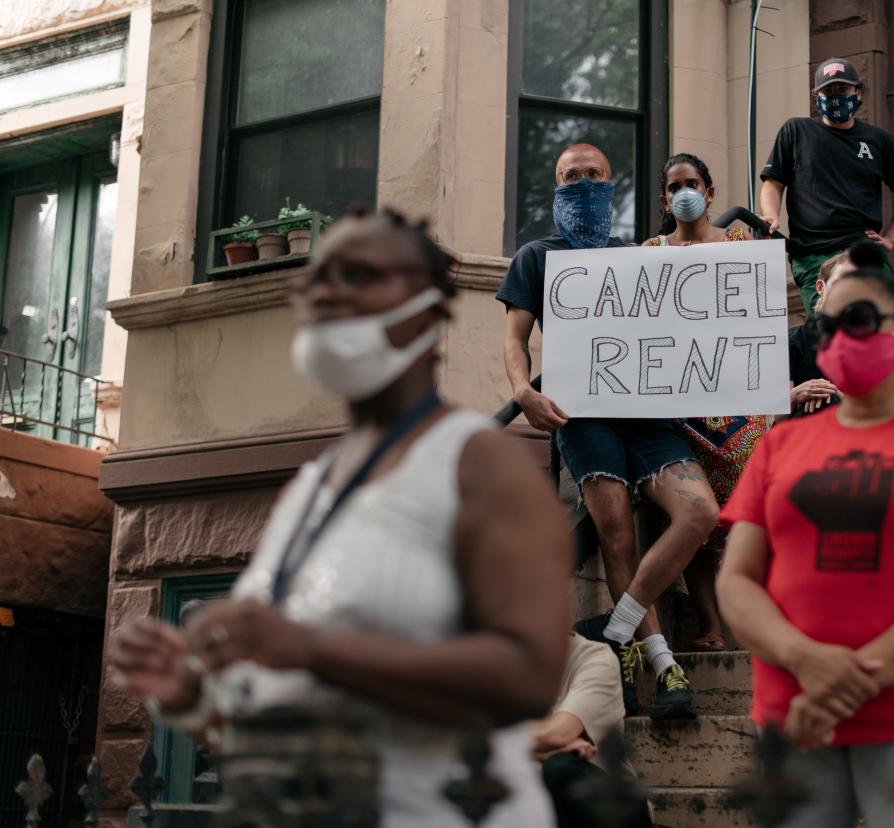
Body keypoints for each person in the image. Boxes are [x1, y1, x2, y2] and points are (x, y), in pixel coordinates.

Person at [109, 208, 572, 827]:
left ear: (427, 309)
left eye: (358, 273)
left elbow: (529, 678)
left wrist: (310, 648)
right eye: (319, 276)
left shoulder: (480, 463)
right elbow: (276, 706)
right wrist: (194, 695)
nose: (326, 291)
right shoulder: (309, 490)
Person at [716, 267, 894, 828]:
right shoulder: (778, 447)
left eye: (859, 319)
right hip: (791, 714)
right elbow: (736, 580)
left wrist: (838, 684)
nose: (842, 337)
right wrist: (804, 658)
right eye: (828, 327)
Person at [497, 143, 716, 719]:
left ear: (612, 182)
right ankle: (666, 666)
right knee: (616, 532)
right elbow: (514, 338)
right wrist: (524, 391)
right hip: (582, 415)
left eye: (594, 175)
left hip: (648, 415)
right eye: (571, 176)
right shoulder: (536, 255)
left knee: (699, 512)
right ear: (556, 186)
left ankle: (615, 630)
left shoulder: (635, 256)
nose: (583, 184)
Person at [641, 153, 765, 652]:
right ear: (664, 199)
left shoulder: (741, 244)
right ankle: (710, 623)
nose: (684, 192)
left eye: (693, 183)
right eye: (675, 186)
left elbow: (759, 316)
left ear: (710, 192)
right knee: (692, 522)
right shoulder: (649, 252)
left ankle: (751, 621)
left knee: (748, 515)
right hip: (680, 405)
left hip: (738, 401)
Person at [759, 57, 894, 316]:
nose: (835, 97)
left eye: (842, 90)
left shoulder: (880, 141)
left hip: (864, 251)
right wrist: (771, 215)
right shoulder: (795, 131)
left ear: (858, 91)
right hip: (813, 255)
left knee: (879, 324)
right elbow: (773, 183)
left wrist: (892, 237)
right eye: (828, 91)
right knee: (828, 328)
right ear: (816, 96)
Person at [534, 632, 652, 828]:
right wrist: (541, 745)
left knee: (559, 768)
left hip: (608, 811)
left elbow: (558, 734)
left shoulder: (596, 659)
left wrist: (536, 745)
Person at [786, 239, 889, 416]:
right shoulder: (793, 341)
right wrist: (797, 395)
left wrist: (835, 396)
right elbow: (776, 420)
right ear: (820, 287)